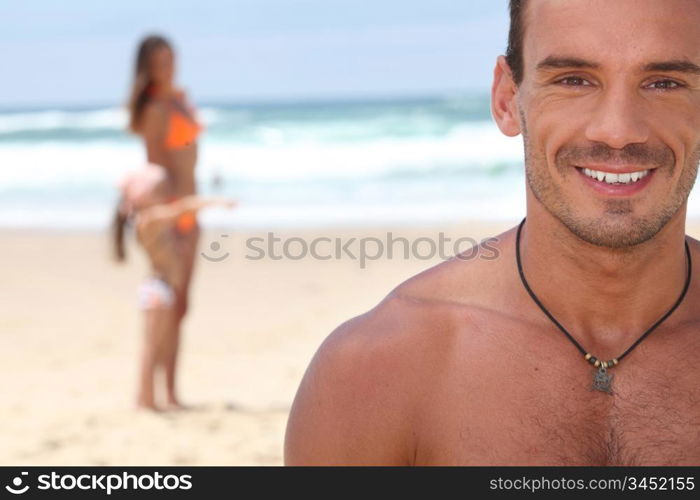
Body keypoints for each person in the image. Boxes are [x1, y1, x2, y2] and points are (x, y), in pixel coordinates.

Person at [285, 0, 700, 465]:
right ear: (507, 100)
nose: (618, 131)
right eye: (573, 80)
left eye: (665, 83)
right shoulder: (378, 369)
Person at [113, 163, 236, 411]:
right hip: (157, 288)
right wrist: (218, 202)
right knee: (151, 347)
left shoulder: (149, 220)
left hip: (163, 289)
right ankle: (145, 400)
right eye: (158, 191)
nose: (162, 196)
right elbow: (182, 208)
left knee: (158, 346)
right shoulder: (149, 218)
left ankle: (151, 399)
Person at [125, 34, 203, 409]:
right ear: (147, 67)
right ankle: (152, 393)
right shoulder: (155, 108)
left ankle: (170, 392)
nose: (167, 67)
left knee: (182, 306)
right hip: (174, 215)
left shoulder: (179, 100)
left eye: (170, 59)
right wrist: (171, 218)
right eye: (158, 62)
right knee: (167, 305)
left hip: (191, 212)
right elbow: (157, 170)